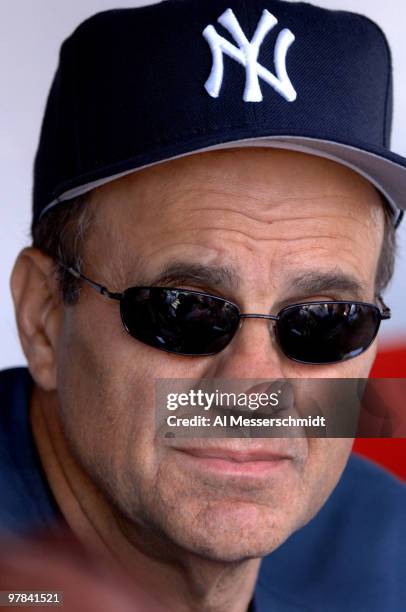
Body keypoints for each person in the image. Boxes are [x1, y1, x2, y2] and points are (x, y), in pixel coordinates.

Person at [1, 1, 405, 610]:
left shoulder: (386, 548)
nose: (254, 386)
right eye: (186, 310)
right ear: (44, 319)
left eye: (325, 321)